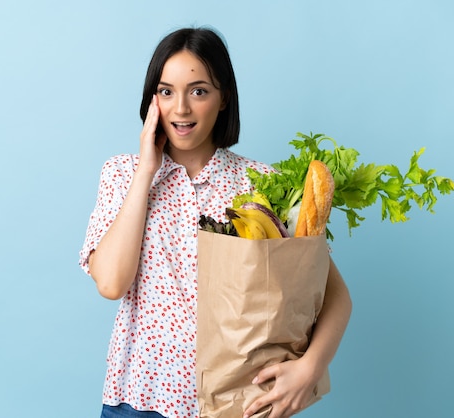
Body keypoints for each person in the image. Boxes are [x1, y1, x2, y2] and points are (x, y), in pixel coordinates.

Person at [79, 26, 352, 418]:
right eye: (166, 91)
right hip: (138, 402)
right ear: (152, 99)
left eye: (199, 91)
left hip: (236, 404)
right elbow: (111, 282)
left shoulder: (261, 184)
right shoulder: (123, 174)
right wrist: (146, 171)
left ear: (223, 97)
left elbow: (335, 295)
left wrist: (311, 368)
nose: (181, 109)